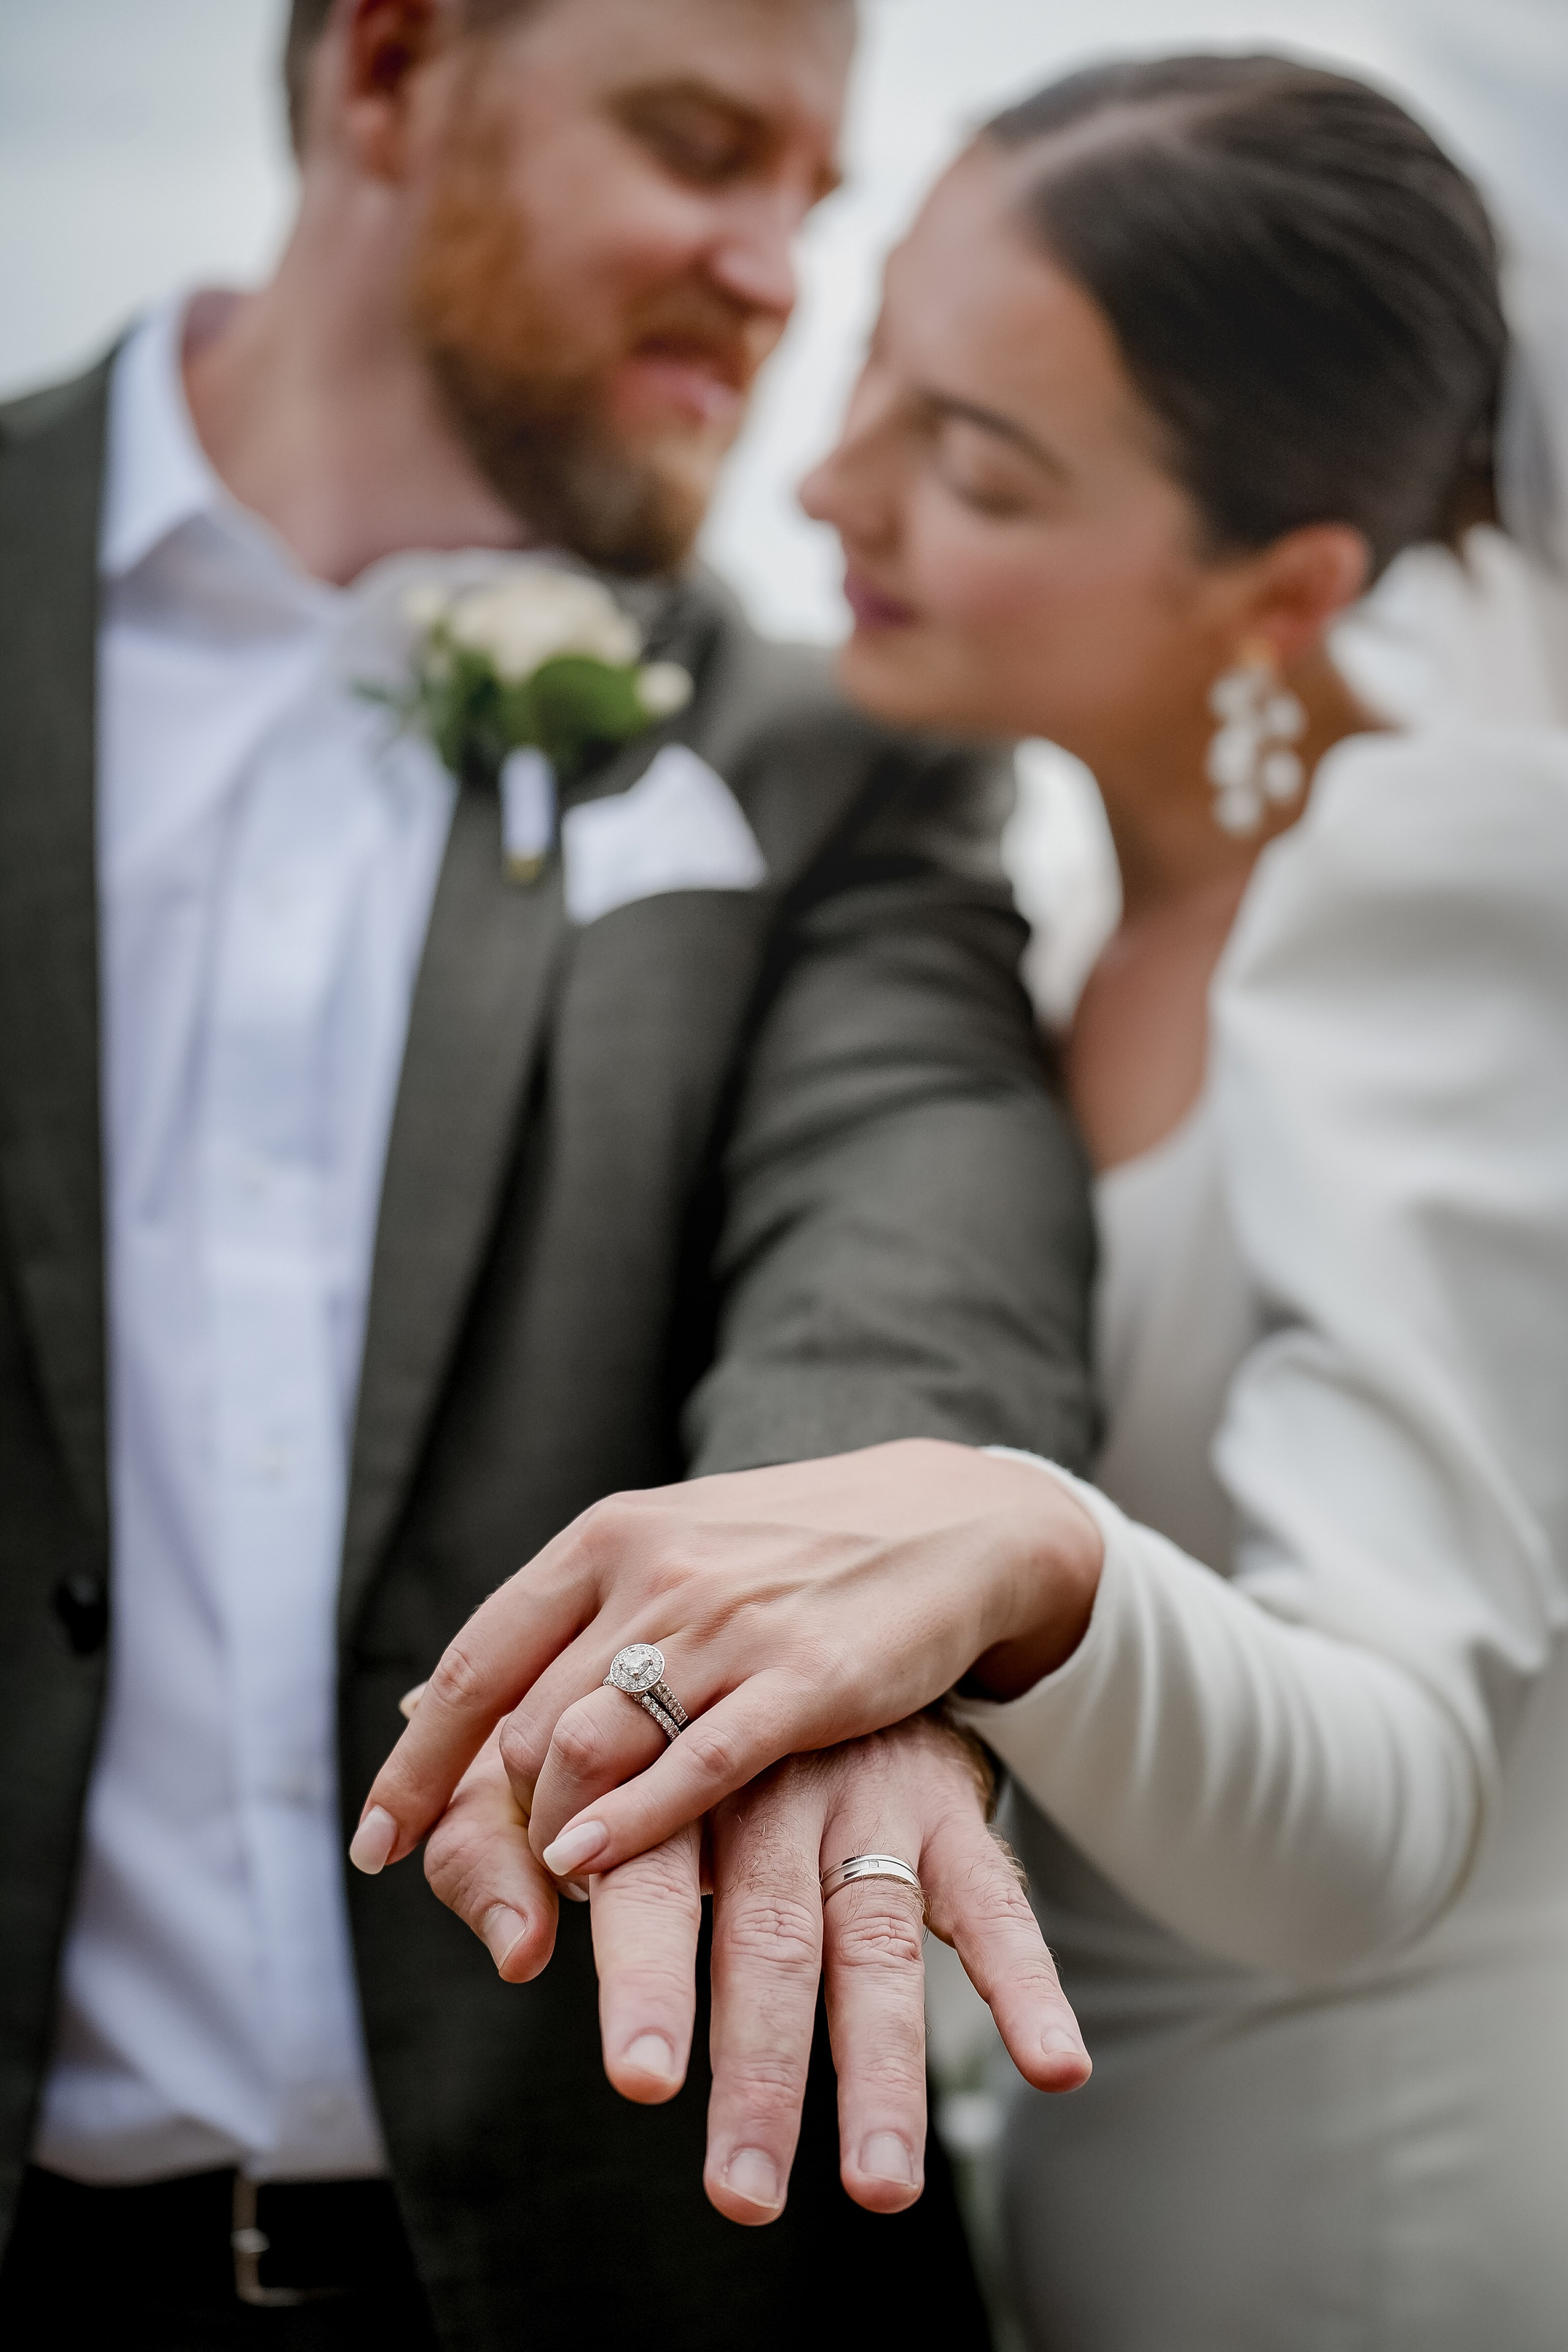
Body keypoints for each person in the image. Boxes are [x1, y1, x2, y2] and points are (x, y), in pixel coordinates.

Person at [369, 53, 1568, 2350]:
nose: (826, 487)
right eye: (874, 377)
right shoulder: (1061, 929)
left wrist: (1021, 1546)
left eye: (976, 466)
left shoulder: (1454, 884)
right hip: (1075, 2234)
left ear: (1282, 587)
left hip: (1387, 2251)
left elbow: (1390, 1809)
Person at [0, 1, 1100, 2343]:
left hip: (618, 2275)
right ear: (387, 72)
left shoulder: (834, 753)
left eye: (810, 195)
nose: (775, 265)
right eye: (702, 144)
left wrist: (844, 1609)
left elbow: (908, 1203)